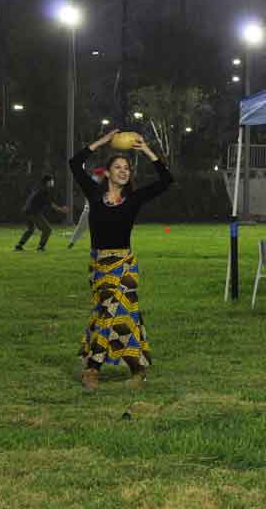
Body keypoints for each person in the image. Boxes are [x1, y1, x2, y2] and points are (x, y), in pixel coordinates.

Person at [69, 129, 173, 391]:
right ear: (108, 171)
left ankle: (95, 369)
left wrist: (147, 151)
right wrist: (102, 141)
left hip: (125, 265)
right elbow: (74, 163)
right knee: (105, 313)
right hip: (100, 265)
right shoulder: (94, 194)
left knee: (122, 314)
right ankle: (131, 367)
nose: (124, 171)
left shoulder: (133, 199)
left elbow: (167, 179)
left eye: (127, 168)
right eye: (118, 167)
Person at [14, 174, 69, 251]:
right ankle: (41, 247)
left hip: (26, 211)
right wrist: (61, 209)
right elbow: (50, 203)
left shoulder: (39, 188)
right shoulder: (44, 190)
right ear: (47, 182)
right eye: (51, 181)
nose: (52, 182)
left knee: (30, 229)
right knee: (48, 230)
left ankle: (19, 246)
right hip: (33, 212)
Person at [67, 167, 106, 249]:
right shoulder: (96, 181)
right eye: (103, 174)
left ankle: (72, 243)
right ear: (99, 175)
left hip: (89, 210)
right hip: (92, 210)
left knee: (81, 228)